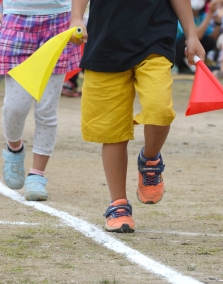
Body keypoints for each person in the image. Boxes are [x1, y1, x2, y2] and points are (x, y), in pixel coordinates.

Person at [70, 0, 204, 233]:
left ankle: (150, 160)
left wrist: (192, 34)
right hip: (106, 41)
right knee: (112, 130)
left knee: (159, 110)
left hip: (154, 38)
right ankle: (118, 205)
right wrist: (76, 18)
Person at [0, 0, 82, 201]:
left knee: (46, 109)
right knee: (15, 107)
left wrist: (78, 18)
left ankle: (37, 175)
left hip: (59, 21)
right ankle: (14, 149)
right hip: (17, 21)